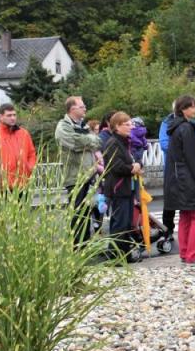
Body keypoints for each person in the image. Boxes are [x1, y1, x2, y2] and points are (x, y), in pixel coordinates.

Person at [163, 96, 195, 265]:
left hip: (178, 178)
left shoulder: (174, 128)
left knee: (185, 216)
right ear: (184, 109)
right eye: (193, 107)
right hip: (188, 179)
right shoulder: (186, 129)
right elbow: (193, 159)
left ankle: (184, 253)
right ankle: (193, 255)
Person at [55, 96, 101, 245]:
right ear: (72, 109)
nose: (85, 109)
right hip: (74, 177)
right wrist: (88, 141)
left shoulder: (84, 126)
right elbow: (73, 142)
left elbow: (97, 141)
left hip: (89, 175)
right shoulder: (63, 126)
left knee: (87, 213)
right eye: (82, 106)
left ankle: (85, 245)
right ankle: (77, 248)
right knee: (77, 214)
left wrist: (87, 141)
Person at [101, 112, 142, 261]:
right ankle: (117, 256)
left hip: (127, 187)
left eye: (130, 123)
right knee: (119, 223)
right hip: (118, 188)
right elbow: (116, 166)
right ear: (117, 126)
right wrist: (133, 168)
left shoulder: (126, 142)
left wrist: (137, 165)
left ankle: (124, 254)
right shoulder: (113, 143)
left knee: (126, 223)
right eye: (127, 124)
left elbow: (135, 159)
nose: (131, 127)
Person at [0, 103, 37, 190]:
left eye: (14, 115)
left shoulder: (24, 133)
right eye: (9, 115)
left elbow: (32, 154)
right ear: (0, 117)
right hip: (2, 187)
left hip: (23, 185)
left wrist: (29, 168)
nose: (13, 118)